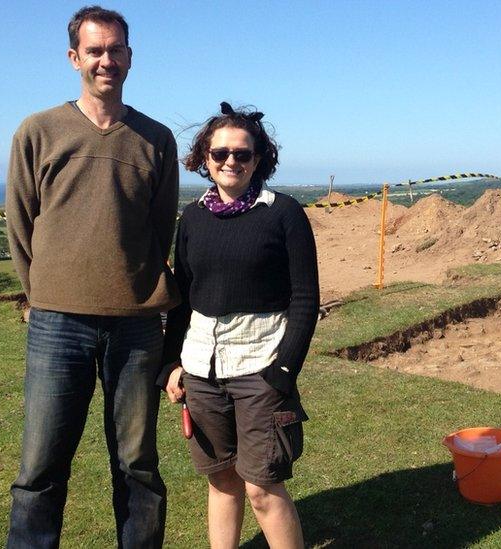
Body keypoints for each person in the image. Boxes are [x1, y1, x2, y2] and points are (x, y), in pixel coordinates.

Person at [4, 6, 179, 547]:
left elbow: (159, 231)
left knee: (137, 466)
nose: (107, 60)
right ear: (74, 57)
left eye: (116, 49)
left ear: (130, 56)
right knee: (41, 467)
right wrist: (42, 295)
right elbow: (20, 223)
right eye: (96, 50)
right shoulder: (39, 131)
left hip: (136, 327)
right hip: (58, 325)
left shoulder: (156, 139)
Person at [161, 102, 319, 548]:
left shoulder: (283, 213)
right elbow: (182, 299)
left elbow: (305, 299)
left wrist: (283, 373)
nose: (231, 161)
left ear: (259, 159)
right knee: (222, 481)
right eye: (220, 153)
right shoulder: (192, 218)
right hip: (202, 371)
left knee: (262, 488)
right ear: (204, 159)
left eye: (243, 154)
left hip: (261, 367)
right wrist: (171, 364)